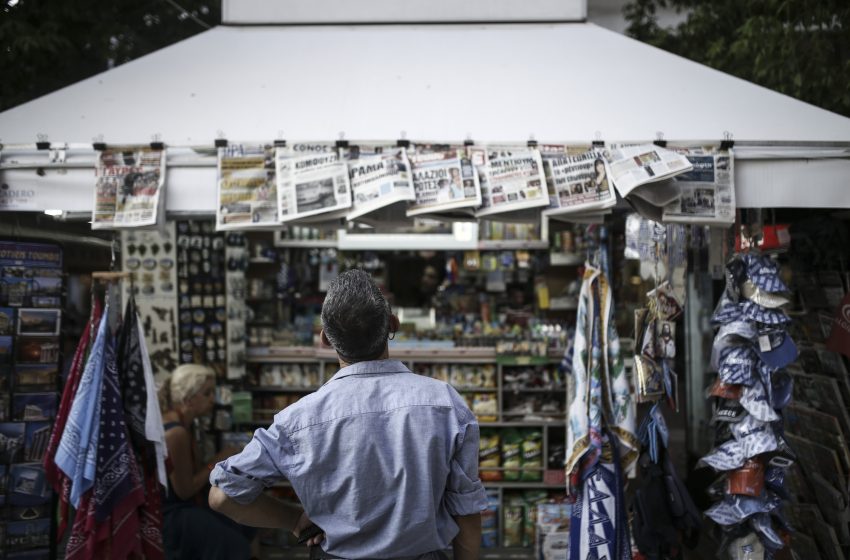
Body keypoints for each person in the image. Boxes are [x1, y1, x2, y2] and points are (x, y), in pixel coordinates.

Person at [209, 269, 486, 559]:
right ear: (393, 325)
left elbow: (223, 495)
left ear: (325, 340)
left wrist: (292, 519)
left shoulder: (297, 421)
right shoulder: (445, 404)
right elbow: (466, 510)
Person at [159, 364, 256, 560]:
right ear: (189, 397)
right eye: (207, 393)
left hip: (186, 506)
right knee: (234, 545)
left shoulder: (187, 425)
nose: (213, 399)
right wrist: (217, 461)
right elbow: (185, 491)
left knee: (246, 524)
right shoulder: (176, 433)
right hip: (173, 514)